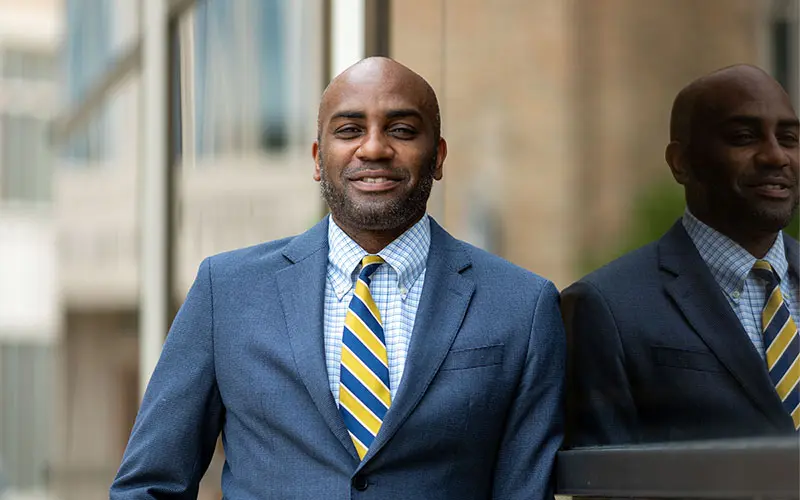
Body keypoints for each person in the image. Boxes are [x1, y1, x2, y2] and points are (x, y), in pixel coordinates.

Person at [110, 57, 565, 499]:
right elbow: (150, 484)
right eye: (349, 130)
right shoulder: (226, 291)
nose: (373, 148)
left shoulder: (523, 306)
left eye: (402, 130)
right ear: (316, 157)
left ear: (439, 156)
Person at [562, 64, 800, 446]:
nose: (776, 156)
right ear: (681, 162)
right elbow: (606, 482)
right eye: (743, 137)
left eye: (788, 138)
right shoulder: (605, 307)